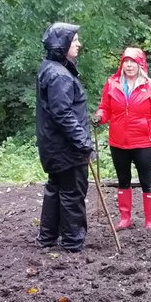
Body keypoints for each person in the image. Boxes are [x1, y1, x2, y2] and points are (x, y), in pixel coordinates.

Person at [92, 45, 151, 229]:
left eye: (133, 62)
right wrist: (99, 117)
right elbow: (105, 108)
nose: (129, 65)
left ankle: (150, 221)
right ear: (121, 64)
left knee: (147, 181)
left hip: (143, 142)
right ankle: (125, 219)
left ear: (140, 64)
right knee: (123, 180)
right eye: (126, 62)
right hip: (118, 142)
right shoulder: (112, 84)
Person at [35, 22, 94, 252]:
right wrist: (83, 143)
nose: (78, 43)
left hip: (54, 146)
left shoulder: (50, 67)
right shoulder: (58, 74)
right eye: (74, 40)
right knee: (72, 193)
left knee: (55, 189)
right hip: (66, 148)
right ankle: (72, 242)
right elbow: (63, 114)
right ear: (62, 44)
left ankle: (47, 237)